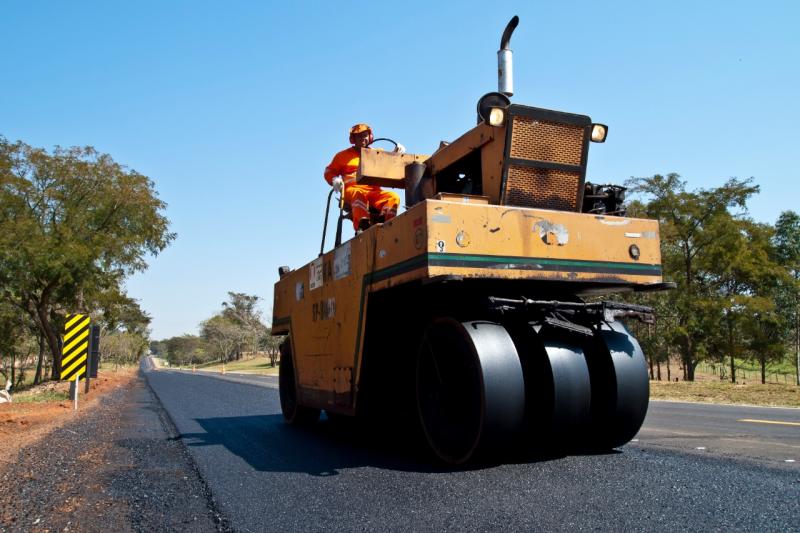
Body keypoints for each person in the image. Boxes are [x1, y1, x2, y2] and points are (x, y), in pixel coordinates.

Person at [324, 123, 400, 231]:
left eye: (365, 135)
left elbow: (388, 164)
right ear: (353, 139)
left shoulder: (376, 153)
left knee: (393, 197)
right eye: (359, 136)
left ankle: (385, 224)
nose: (363, 138)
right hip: (352, 190)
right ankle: (362, 226)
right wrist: (334, 180)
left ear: (370, 137)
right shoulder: (342, 156)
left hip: (374, 191)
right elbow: (329, 171)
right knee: (358, 194)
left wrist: (396, 154)